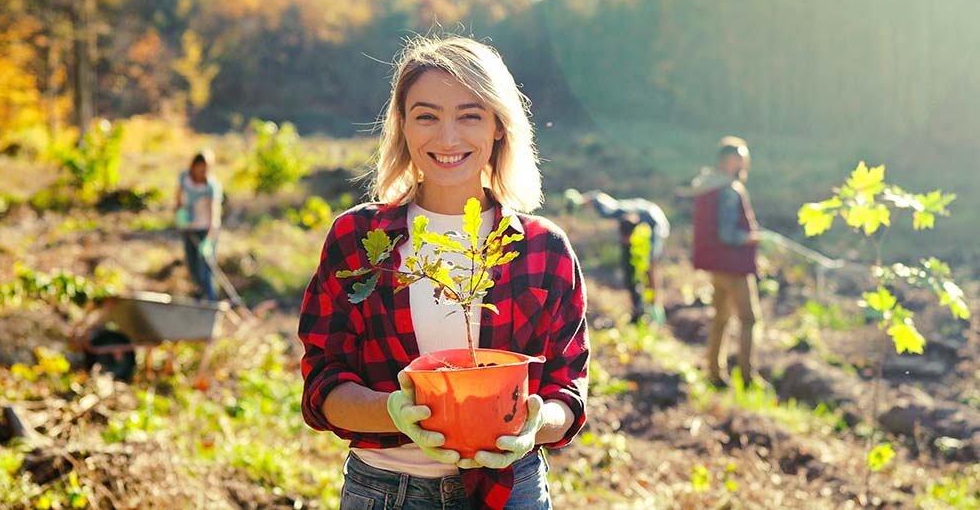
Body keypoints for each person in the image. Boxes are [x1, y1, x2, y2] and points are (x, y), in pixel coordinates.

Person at [298, 36, 589, 510]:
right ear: (404, 126)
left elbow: (567, 388)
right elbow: (323, 382)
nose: (448, 138)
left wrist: (535, 422)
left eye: (470, 115)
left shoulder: (542, 249)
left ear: (498, 126)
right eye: (427, 115)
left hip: (509, 489)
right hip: (387, 491)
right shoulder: (358, 239)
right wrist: (395, 412)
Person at [690, 136, 763, 388]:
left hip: (716, 266)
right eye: (742, 157)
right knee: (749, 319)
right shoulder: (729, 190)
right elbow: (728, 234)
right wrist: (755, 238)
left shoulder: (708, 186)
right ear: (731, 160)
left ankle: (714, 371)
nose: (745, 163)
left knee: (720, 317)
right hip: (734, 267)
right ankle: (747, 376)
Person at [565, 189, 669, 323]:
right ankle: (638, 308)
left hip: (656, 223)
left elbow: (652, 267)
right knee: (630, 269)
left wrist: (656, 303)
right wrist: (580, 200)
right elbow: (597, 197)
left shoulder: (654, 230)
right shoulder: (614, 211)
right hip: (641, 221)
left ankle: (653, 307)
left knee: (648, 266)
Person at [175, 150, 222, 302]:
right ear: (194, 166)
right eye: (200, 168)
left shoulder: (211, 186)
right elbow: (178, 201)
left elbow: (214, 217)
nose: (203, 172)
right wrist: (181, 216)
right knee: (193, 267)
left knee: (206, 268)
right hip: (188, 228)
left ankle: (211, 302)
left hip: (205, 230)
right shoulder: (184, 178)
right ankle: (199, 298)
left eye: (206, 169)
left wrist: (208, 241)